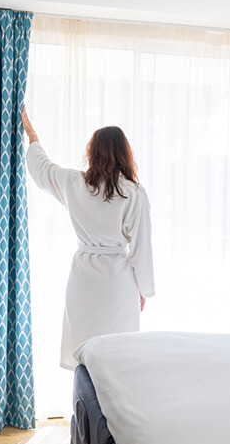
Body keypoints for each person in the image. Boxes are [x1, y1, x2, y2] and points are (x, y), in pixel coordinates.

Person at [21, 107, 155, 369]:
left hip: (83, 279)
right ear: (124, 154)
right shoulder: (133, 193)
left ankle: (82, 396)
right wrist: (143, 289)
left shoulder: (75, 183)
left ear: (92, 153)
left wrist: (33, 138)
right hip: (118, 283)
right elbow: (142, 249)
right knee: (118, 358)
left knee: (85, 356)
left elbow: (43, 170)